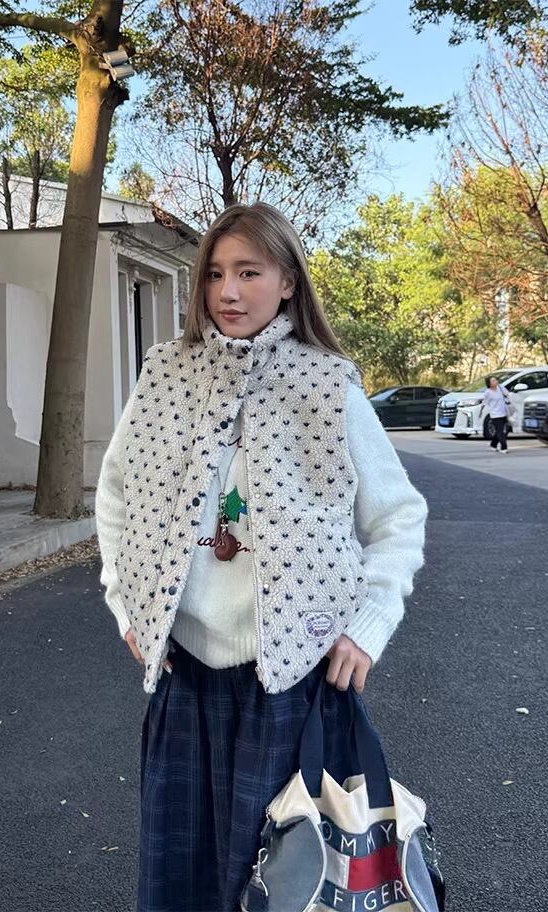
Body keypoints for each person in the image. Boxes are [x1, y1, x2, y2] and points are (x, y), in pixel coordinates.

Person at [94, 202, 429, 912]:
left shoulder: (326, 386)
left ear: (287, 282)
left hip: (293, 684)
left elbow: (398, 515)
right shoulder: (165, 376)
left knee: (285, 885)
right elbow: (117, 494)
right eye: (215, 274)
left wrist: (368, 625)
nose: (229, 292)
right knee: (182, 884)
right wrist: (126, 606)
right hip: (184, 680)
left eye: (249, 272)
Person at [480, 375, 511, 453]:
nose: (495, 382)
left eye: (496, 380)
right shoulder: (488, 393)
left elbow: (508, 395)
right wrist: (480, 413)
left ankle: (493, 444)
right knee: (500, 431)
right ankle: (504, 448)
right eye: (493, 381)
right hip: (495, 414)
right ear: (489, 383)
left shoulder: (500, 388)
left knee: (503, 431)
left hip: (504, 412)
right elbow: (484, 403)